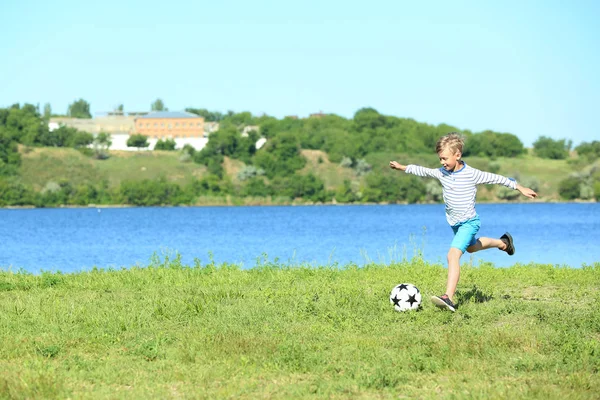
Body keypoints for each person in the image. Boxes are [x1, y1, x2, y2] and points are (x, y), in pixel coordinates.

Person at [389, 132, 537, 312]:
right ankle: (503, 243)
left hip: (469, 222)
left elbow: (498, 178)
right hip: (455, 223)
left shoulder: (472, 174)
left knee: (452, 255)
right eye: (440, 159)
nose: (442, 162)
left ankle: (448, 297)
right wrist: (402, 167)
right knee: (472, 247)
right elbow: (422, 170)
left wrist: (520, 188)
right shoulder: (442, 173)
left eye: (445, 158)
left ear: (457, 155)